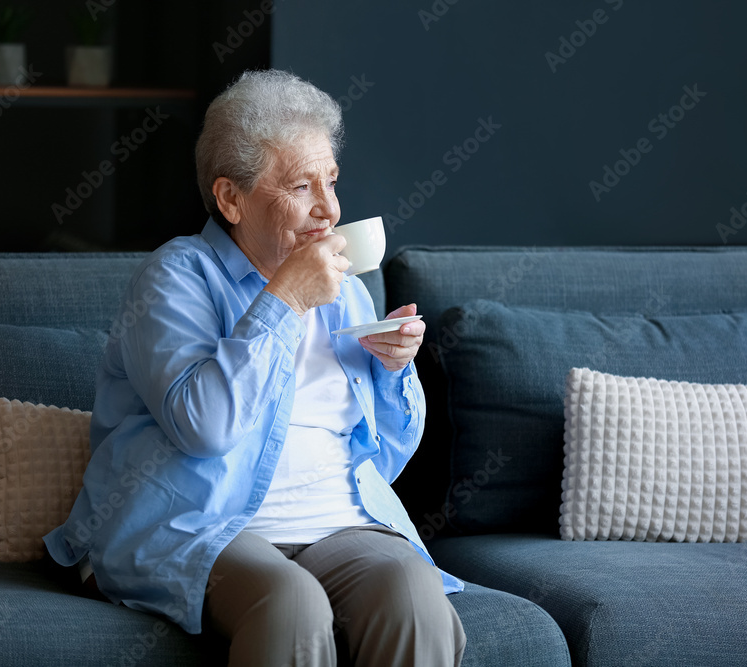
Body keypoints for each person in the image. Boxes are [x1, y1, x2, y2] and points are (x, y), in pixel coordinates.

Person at [43, 69, 466, 666]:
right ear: (230, 199)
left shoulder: (346, 291)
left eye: (333, 181)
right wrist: (285, 300)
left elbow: (387, 453)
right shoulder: (175, 278)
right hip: (202, 524)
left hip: (337, 523)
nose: (329, 209)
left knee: (414, 593)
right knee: (291, 605)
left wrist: (396, 368)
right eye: (300, 186)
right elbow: (205, 428)